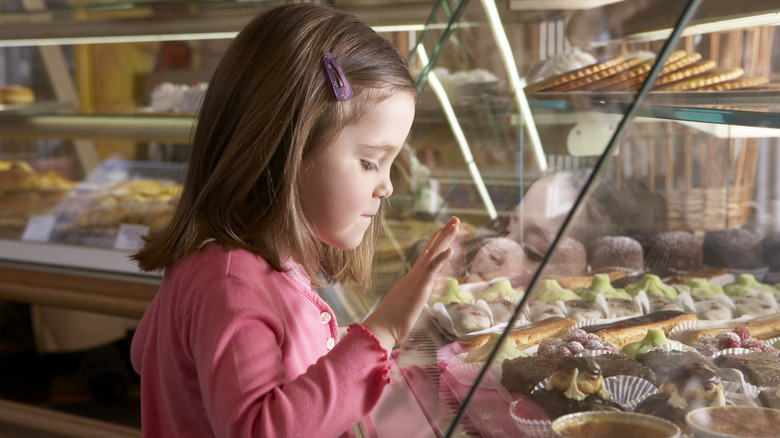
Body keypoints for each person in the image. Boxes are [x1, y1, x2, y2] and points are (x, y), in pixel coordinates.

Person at [130, 4, 459, 437]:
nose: (388, 187)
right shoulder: (230, 284)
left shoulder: (242, 267)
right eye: (369, 162)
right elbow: (259, 427)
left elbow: (150, 353)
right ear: (289, 146)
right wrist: (380, 331)